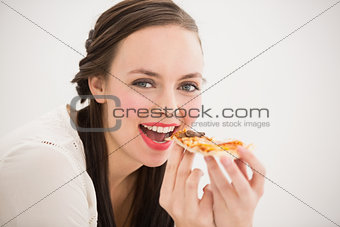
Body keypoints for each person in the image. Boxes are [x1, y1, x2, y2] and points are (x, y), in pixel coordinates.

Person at [0, 0, 266, 226]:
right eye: (144, 83)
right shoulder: (45, 168)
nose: (170, 108)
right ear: (98, 83)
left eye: (187, 85)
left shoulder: (167, 183)